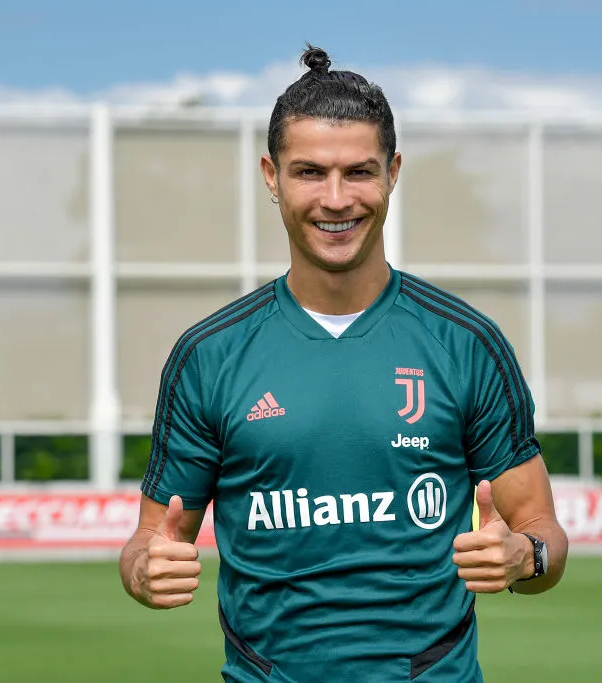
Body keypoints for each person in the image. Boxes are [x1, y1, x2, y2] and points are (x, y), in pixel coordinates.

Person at [119, 44, 568, 682]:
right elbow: (150, 539)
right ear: (271, 177)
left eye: (359, 172)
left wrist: (524, 556)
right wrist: (145, 569)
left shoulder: (465, 341)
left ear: (393, 173)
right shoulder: (209, 354)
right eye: (309, 173)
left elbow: (542, 531)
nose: (336, 199)